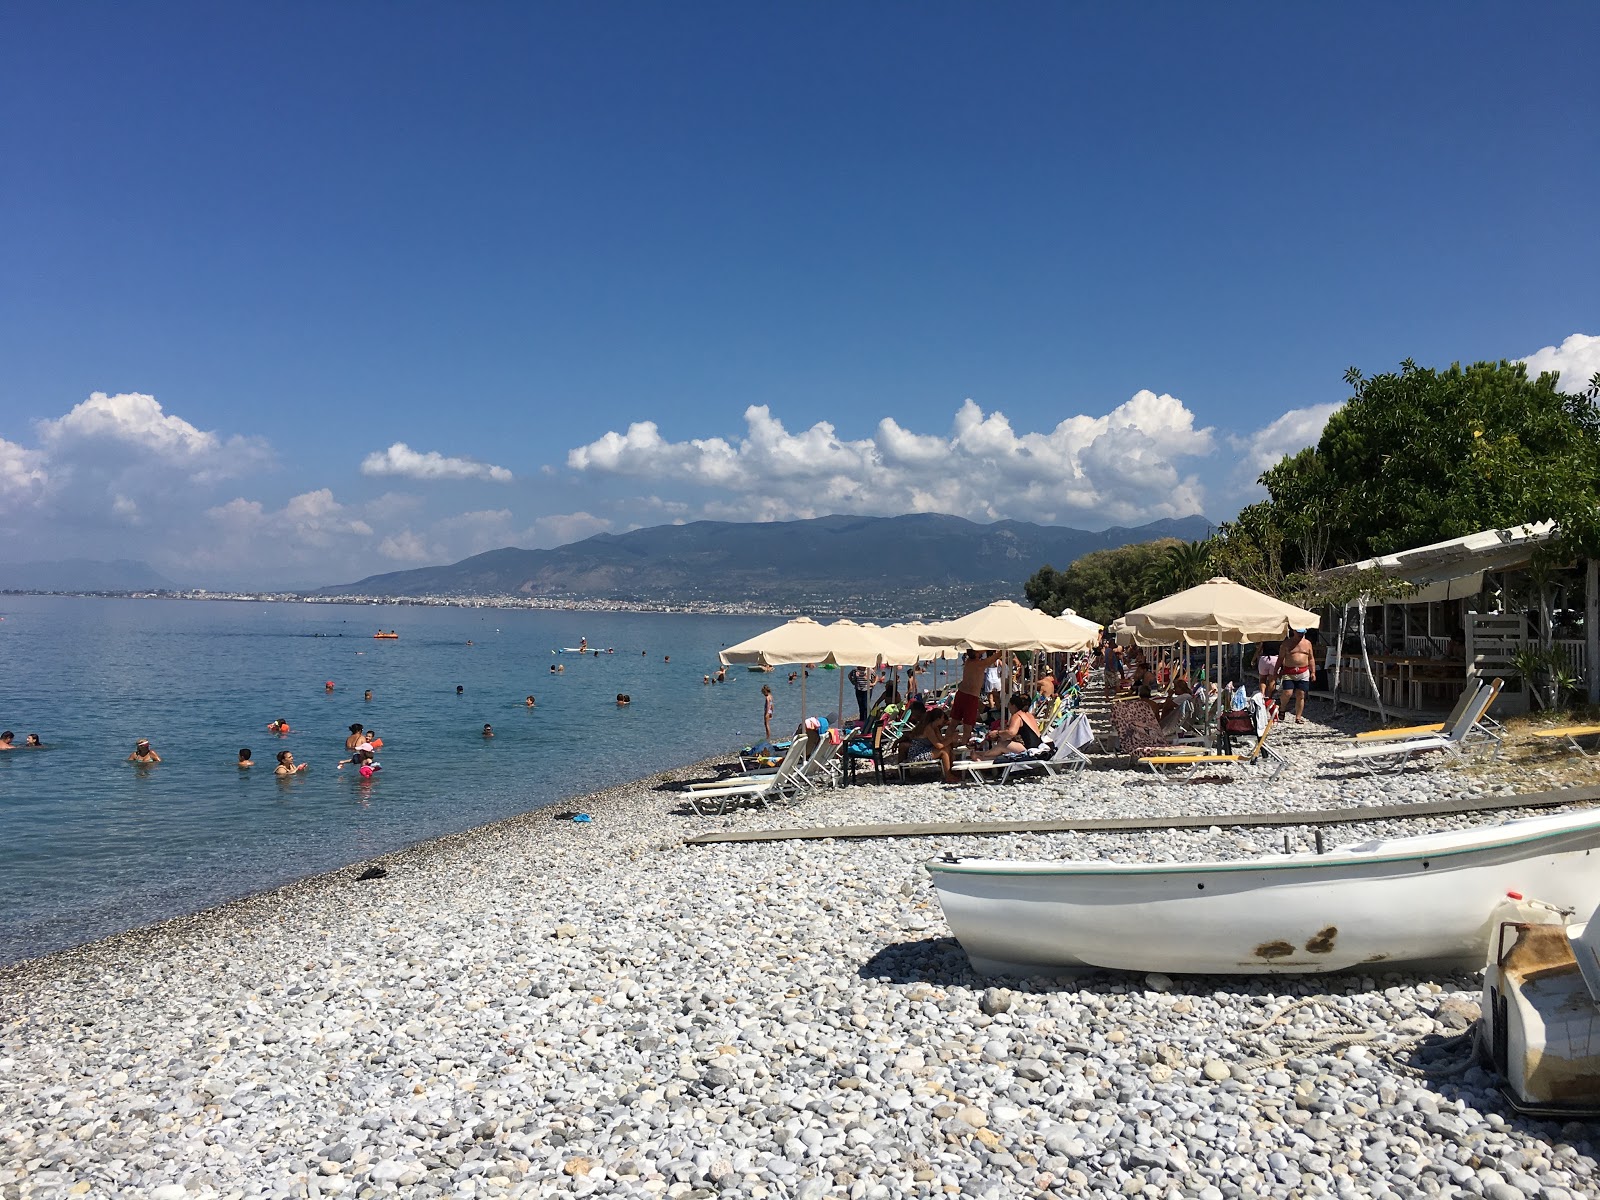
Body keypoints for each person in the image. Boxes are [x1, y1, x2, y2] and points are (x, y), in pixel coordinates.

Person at [896, 699, 959, 783]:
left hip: (923, 750)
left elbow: (941, 741)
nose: (943, 721)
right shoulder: (928, 728)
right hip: (917, 754)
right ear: (937, 719)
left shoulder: (934, 728)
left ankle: (951, 772)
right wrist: (951, 739)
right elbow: (939, 745)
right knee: (943, 751)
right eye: (942, 719)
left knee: (947, 748)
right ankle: (948, 775)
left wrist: (950, 740)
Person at [975, 694, 1042, 760]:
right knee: (1003, 748)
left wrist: (997, 733)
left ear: (1014, 706)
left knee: (1002, 745)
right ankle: (983, 757)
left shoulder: (1017, 716)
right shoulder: (1029, 715)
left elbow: (1011, 732)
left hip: (1029, 749)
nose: (1008, 708)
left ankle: (981, 755)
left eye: (1009, 705)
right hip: (1037, 746)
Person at [954, 649, 1001, 736]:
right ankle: (965, 743)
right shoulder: (979, 664)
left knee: (954, 722)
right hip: (971, 696)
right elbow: (995, 657)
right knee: (968, 726)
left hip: (960, 693)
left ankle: (948, 739)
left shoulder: (968, 662)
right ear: (976, 653)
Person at [1277, 627, 1317, 723]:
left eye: (1302, 633)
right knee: (1288, 693)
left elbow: (1311, 658)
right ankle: (1282, 709)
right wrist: (1276, 671)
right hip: (1289, 671)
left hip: (1303, 672)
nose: (1300, 635)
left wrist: (1313, 672)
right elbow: (1280, 658)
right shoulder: (1286, 644)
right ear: (1294, 631)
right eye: (1299, 633)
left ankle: (1298, 717)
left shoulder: (1307, 643)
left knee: (1301, 694)